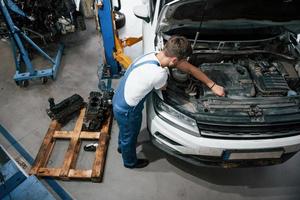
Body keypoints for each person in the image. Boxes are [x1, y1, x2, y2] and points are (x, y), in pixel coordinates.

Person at [113, 36, 225, 169]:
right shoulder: (159, 74)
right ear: (174, 59)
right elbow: (163, 87)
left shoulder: (152, 55)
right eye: (181, 61)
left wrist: (212, 85)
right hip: (127, 109)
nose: (183, 64)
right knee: (130, 135)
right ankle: (130, 162)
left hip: (119, 96)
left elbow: (190, 69)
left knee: (125, 131)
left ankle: (121, 147)